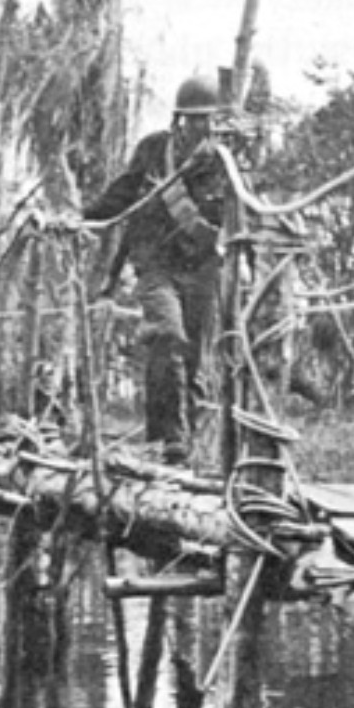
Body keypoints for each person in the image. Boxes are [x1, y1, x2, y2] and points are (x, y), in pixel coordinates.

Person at [83, 73, 230, 463]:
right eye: (194, 119)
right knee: (167, 335)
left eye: (208, 120)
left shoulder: (223, 164)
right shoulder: (154, 150)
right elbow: (121, 194)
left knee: (195, 358)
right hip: (155, 264)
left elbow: (236, 221)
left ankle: (184, 446)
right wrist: (83, 217)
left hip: (200, 269)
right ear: (179, 119)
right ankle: (169, 438)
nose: (202, 127)